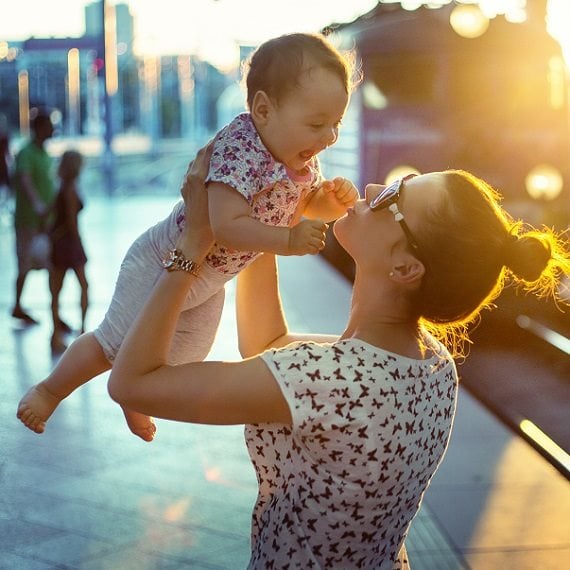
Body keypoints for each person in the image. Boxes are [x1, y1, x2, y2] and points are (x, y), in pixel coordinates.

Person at [105, 143, 568, 568]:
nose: (369, 188)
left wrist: (193, 244)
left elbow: (132, 385)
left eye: (392, 196)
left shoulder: (327, 379)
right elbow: (268, 344)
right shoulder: (430, 364)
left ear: (405, 267)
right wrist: (266, 224)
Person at [16, 32, 360, 441]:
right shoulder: (241, 149)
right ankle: (50, 390)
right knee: (112, 342)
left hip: (208, 280)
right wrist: (287, 242)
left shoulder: (297, 155)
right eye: (317, 124)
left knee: (178, 363)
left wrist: (329, 202)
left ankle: (137, 392)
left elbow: (301, 204)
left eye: (336, 124)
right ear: (264, 109)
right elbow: (224, 224)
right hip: (165, 259)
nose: (329, 138)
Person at [11, 113, 57, 325]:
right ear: (38, 128)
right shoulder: (26, 153)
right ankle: (17, 305)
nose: (51, 130)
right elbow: (25, 180)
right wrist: (37, 204)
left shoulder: (44, 154)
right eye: (48, 126)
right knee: (24, 264)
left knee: (51, 266)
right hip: (28, 221)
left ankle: (54, 311)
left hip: (46, 223)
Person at [48, 150, 89, 353]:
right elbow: (72, 223)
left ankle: (55, 335)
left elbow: (49, 214)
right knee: (83, 285)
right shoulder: (71, 189)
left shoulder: (60, 187)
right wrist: (79, 244)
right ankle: (82, 331)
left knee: (56, 291)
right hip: (70, 244)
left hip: (58, 243)